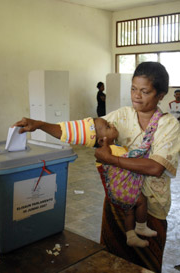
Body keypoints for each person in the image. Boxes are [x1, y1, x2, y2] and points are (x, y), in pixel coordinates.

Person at [13, 62, 180, 273]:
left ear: (161, 95)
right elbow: (85, 129)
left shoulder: (169, 126)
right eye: (133, 89)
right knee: (110, 261)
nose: (136, 96)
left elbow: (156, 167)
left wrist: (113, 160)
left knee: (144, 265)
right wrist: (40, 125)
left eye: (145, 91)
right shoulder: (122, 116)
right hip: (117, 201)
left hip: (151, 210)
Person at [59, 116, 157, 247]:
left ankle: (130, 235)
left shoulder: (113, 148)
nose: (112, 124)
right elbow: (135, 156)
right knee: (141, 201)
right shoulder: (110, 151)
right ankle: (141, 226)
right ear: (101, 140)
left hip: (116, 193)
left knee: (129, 211)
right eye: (107, 126)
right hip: (124, 189)